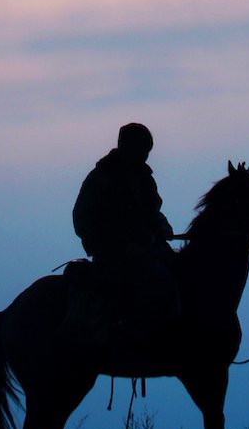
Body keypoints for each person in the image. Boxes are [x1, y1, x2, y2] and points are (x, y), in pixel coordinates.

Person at [71, 123, 178, 347]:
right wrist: (119, 245)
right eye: (141, 150)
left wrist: (162, 227)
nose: (145, 156)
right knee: (155, 280)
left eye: (147, 151)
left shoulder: (143, 177)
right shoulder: (102, 177)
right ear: (125, 147)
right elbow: (84, 220)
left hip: (148, 247)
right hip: (116, 255)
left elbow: (152, 211)